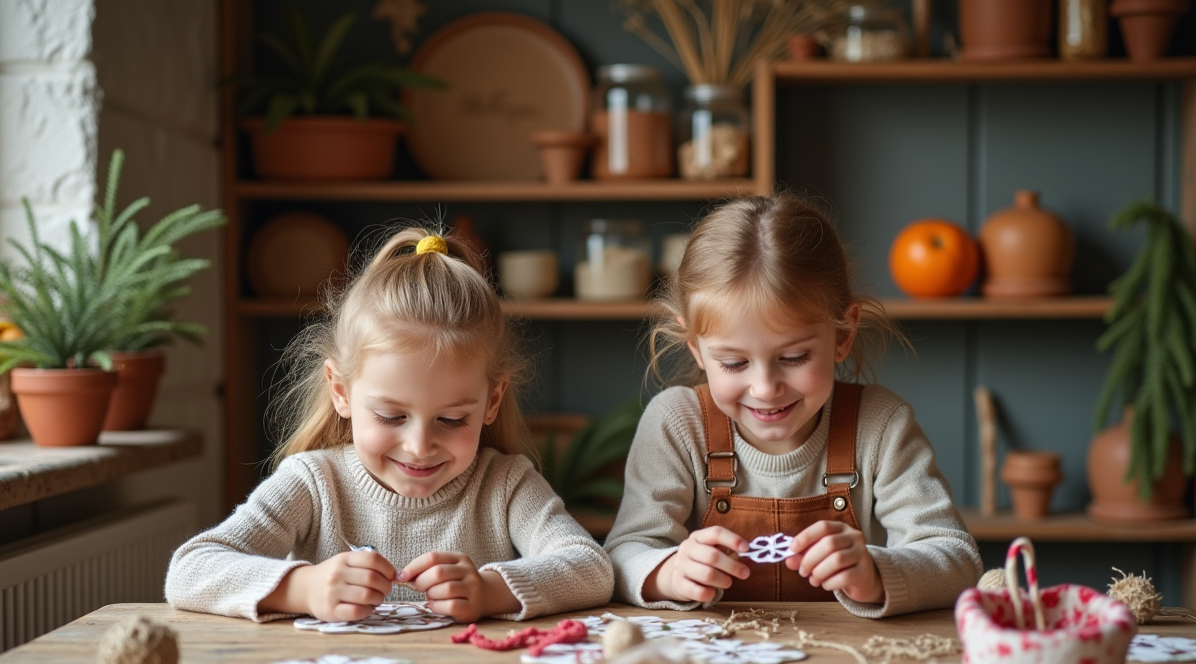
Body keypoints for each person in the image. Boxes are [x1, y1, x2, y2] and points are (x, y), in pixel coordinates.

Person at [167, 229, 613, 624]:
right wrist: (305, 588)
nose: (420, 446)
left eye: (452, 419)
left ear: (492, 401)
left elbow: (591, 568)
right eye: (391, 416)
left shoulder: (505, 484)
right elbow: (191, 570)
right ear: (340, 391)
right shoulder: (313, 483)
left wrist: (487, 591)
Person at [605, 193, 981, 617]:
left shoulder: (880, 424)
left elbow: (957, 559)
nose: (765, 388)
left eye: (794, 358)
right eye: (733, 363)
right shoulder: (676, 422)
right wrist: (667, 573)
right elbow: (621, 556)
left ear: (843, 334)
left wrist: (878, 572)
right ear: (696, 349)